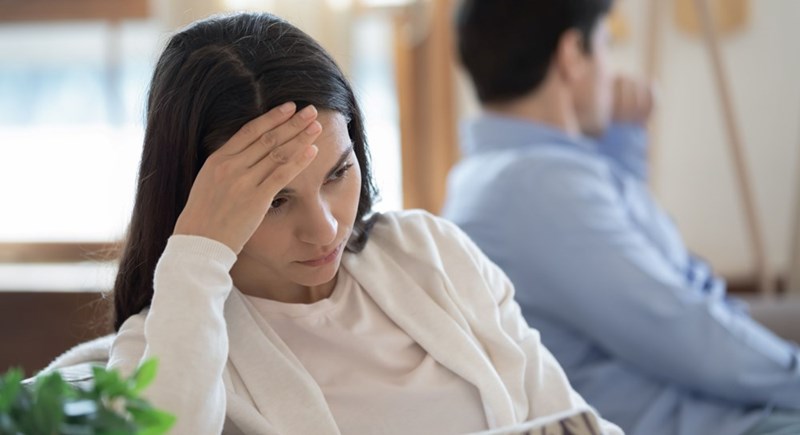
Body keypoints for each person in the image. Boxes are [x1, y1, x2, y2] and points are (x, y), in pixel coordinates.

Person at [99, 11, 622, 435]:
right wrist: (195, 255)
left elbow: (568, 419)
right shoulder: (166, 342)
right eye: (276, 201)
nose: (325, 230)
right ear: (202, 201)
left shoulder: (431, 252)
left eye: (337, 172)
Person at [442, 1, 800, 435]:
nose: (612, 72)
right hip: (709, 419)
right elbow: (681, 330)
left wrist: (620, 143)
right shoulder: (538, 188)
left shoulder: (498, 173)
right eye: (606, 45)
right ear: (572, 55)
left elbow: (644, 263)